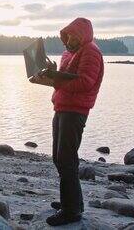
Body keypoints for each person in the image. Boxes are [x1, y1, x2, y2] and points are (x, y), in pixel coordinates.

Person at [30, 17, 104, 226]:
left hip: (76, 111)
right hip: (62, 107)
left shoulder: (91, 51)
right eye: (67, 35)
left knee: (66, 158)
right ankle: (73, 203)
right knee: (59, 158)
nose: (68, 39)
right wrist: (49, 75)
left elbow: (84, 82)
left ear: (81, 35)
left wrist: (55, 78)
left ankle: (71, 211)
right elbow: (63, 82)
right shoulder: (68, 54)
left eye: (72, 35)